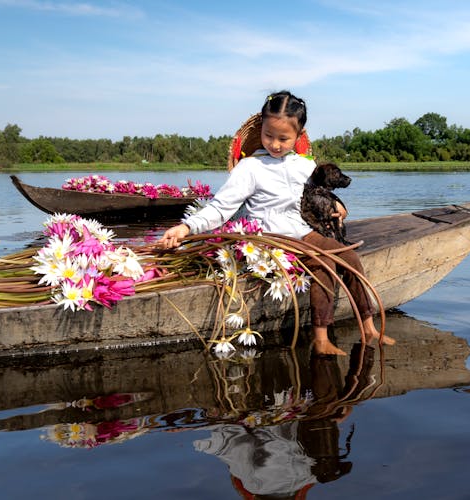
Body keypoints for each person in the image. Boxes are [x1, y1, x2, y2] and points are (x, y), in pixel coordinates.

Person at [157, 90, 394, 354]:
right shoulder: (249, 168)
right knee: (324, 262)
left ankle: (369, 326)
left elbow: (321, 196)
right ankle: (321, 337)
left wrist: (338, 206)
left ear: (299, 136)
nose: (275, 144)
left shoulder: (305, 165)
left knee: (348, 257)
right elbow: (221, 207)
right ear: (261, 129)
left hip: (303, 231)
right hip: (269, 238)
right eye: (269, 136)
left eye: (284, 138)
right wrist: (187, 226)